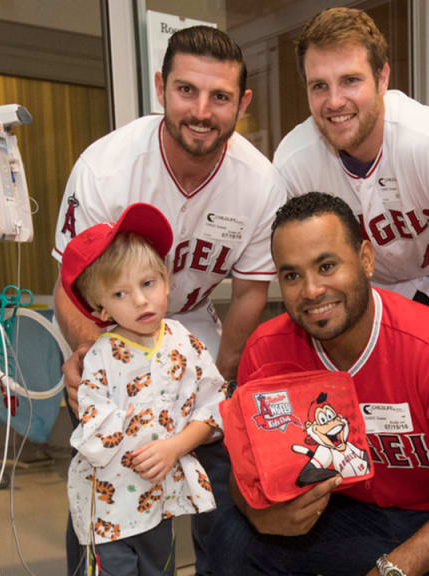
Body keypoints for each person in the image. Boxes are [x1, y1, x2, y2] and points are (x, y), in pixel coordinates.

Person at [212, 192, 429, 576]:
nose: (310, 291)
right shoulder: (266, 351)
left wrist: (396, 568)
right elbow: (244, 473)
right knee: (233, 537)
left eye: (327, 266)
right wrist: (259, 512)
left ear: (365, 259)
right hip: (351, 514)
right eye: (292, 275)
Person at [51, 25, 283, 575]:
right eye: (186, 91)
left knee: (220, 471)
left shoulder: (259, 183)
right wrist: (95, 358)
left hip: (192, 331)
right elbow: (70, 284)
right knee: (109, 473)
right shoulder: (106, 166)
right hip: (106, 329)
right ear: (160, 87)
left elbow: (251, 293)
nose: (201, 110)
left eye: (220, 96)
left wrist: (216, 381)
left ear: (241, 103)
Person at [274, 7, 429, 383]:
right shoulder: (294, 162)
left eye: (350, 80)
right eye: (319, 85)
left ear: (382, 77)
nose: (334, 101)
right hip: (378, 295)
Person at [60, 203, 225, 575]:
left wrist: (175, 446)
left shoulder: (184, 343)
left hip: (158, 504)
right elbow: (96, 433)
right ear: (100, 309)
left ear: (166, 281)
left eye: (147, 283)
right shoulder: (100, 359)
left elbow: (214, 407)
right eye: (120, 294)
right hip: (106, 512)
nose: (139, 300)